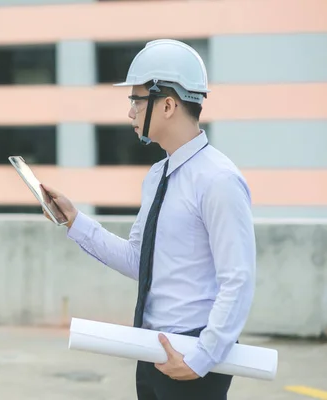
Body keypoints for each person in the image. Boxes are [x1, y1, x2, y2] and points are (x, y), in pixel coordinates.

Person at [41, 39, 256, 400]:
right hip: (151, 348)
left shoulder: (218, 179)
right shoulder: (158, 175)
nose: (130, 112)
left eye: (136, 100)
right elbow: (141, 262)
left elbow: (238, 278)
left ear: (168, 104)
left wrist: (201, 357)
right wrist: (75, 222)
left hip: (193, 353)